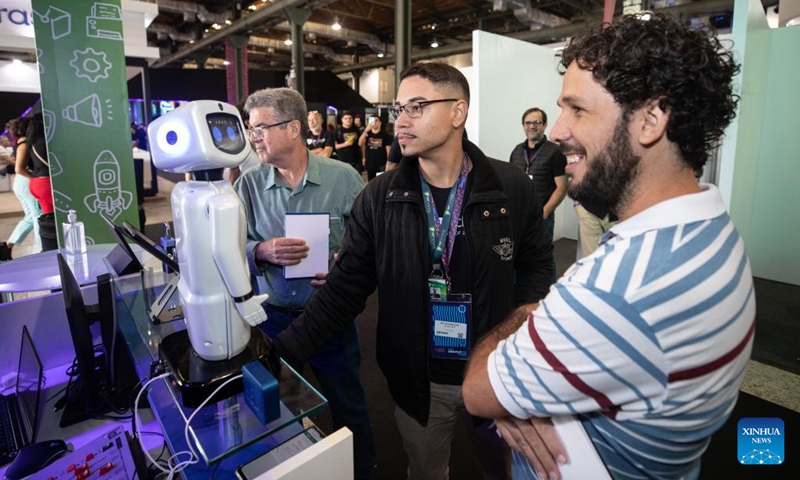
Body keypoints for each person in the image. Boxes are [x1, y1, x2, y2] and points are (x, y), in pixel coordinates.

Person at [462, 13, 751, 480]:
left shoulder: (616, 291)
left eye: (577, 109)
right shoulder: (712, 227)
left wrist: (523, 316)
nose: (557, 130)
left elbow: (477, 390)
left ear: (651, 120)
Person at [272, 62, 554, 480]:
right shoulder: (380, 197)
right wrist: (281, 353)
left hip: (496, 371)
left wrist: (513, 342)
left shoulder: (510, 188)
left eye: (416, 107)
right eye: (399, 108)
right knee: (425, 469)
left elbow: (535, 269)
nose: (400, 120)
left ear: (458, 112)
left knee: (507, 469)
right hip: (419, 380)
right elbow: (345, 288)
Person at [232, 88, 374, 480]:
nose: (252, 136)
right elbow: (226, 247)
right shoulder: (248, 185)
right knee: (274, 409)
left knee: (349, 408)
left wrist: (344, 264)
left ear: (293, 128)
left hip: (330, 318)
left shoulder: (342, 179)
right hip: (271, 319)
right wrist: (260, 250)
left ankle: (361, 471)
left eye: (260, 127)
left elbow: (370, 244)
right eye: (250, 128)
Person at [509, 107, 567, 281]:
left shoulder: (555, 152)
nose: (532, 126)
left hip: (542, 216)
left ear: (545, 125)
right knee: (517, 255)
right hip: (519, 216)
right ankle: (519, 292)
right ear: (523, 126)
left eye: (537, 122)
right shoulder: (517, 151)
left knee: (544, 257)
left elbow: (562, 187)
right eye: (528, 122)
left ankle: (549, 291)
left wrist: (546, 211)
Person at [16, 113, 57, 251]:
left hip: (36, 184)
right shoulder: (48, 140)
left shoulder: (30, 142)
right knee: (60, 220)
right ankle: (53, 248)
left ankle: (47, 249)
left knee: (48, 221)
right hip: (48, 183)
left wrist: (33, 176)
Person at [2, 119, 41, 258]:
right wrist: (35, 179)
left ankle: (7, 245)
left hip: (21, 184)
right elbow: (19, 168)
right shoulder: (25, 143)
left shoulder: (20, 143)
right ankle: (44, 250)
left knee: (31, 217)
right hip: (26, 183)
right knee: (38, 216)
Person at [358, 115, 392, 180]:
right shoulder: (367, 134)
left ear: (380, 122)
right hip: (370, 163)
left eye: (376, 120)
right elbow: (360, 143)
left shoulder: (386, 135)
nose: (374, 122)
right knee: (371, 183)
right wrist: (366, 130)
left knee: (381, 182)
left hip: (381, 163)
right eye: (372, 121)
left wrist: (388, 163)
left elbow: (388, 150)